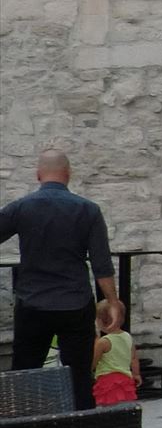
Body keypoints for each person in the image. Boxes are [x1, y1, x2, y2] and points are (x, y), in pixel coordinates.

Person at [0, 147, 116, 409]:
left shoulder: (21, 207)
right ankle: (81, 426)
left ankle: (24, 426)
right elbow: (102, 264)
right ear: (68, 174)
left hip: (33, 303)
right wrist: (112, 301)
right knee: (79, 377)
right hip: (75, 303)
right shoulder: (88, 210)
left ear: (38, 175)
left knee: (24, 374)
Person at [91, 297, 140, 405]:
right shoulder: (127, 336)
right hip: (126, 379)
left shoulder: (103, 342)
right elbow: (134, 358)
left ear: (100, 321)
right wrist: (136, 374)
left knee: (109, 409)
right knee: (125, 408)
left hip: (107, 381)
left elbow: (93, 362)